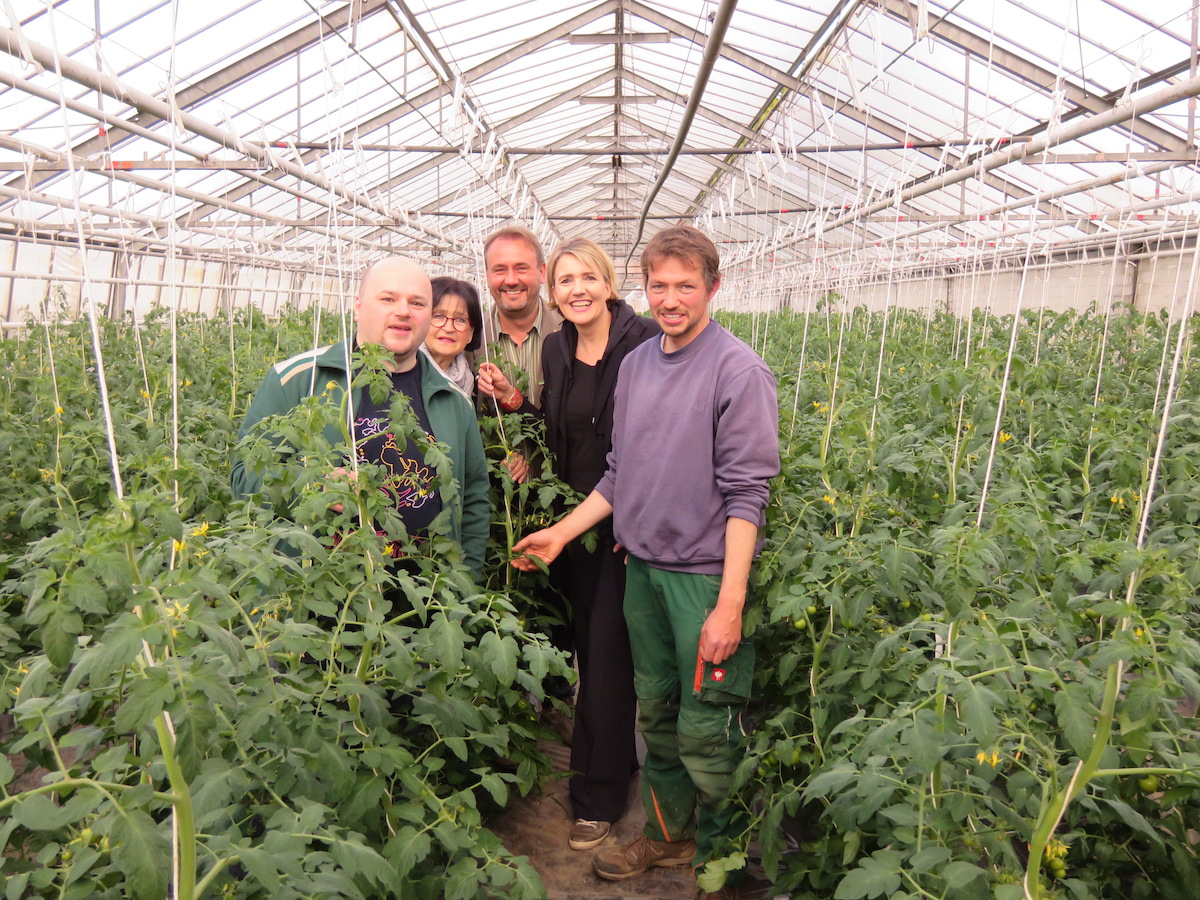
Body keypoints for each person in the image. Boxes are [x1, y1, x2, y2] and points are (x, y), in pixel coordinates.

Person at [510, 226, 780, 899]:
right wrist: (561, 533)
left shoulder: (737, 370)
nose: (670, 298)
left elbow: (749, 493)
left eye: (685, 285)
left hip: (702, 579)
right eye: (659, 285)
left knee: (708, 724)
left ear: (713, 288)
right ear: (644, 287)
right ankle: (666, 835)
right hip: (641, 572)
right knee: (657, 716)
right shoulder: (637, 368)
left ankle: (721, 863)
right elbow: (618, 473)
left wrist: (730, 602)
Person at [476, 238, 659, 852]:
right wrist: (515, 407)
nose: (577, 290)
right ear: (553, 295)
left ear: (609, 284)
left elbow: (635, 454)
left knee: (605, 660)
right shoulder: (557, 347)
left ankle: (598, 797)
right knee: (584, 644)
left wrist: (582, 524)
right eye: (565, 281)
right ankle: (616, 759)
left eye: (588, 278)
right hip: (566, 522)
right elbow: (554, 427)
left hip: (619, 524)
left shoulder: (641, 344)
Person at [232, 256, 490, 579]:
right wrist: (314, 484)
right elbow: (244, 477)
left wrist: (466, 587)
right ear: (358, 306)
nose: (403, 311)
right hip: (315, 602)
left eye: (417, 302)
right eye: (387, 298)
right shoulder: (296, 380)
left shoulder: (455, 402)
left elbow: (476, 500)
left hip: (424, 610)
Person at [422, 275, 483, 398]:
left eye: (461, 319)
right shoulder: (401, 370)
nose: (449, 328)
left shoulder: (466, 381)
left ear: (470, 333)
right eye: (438, 316)